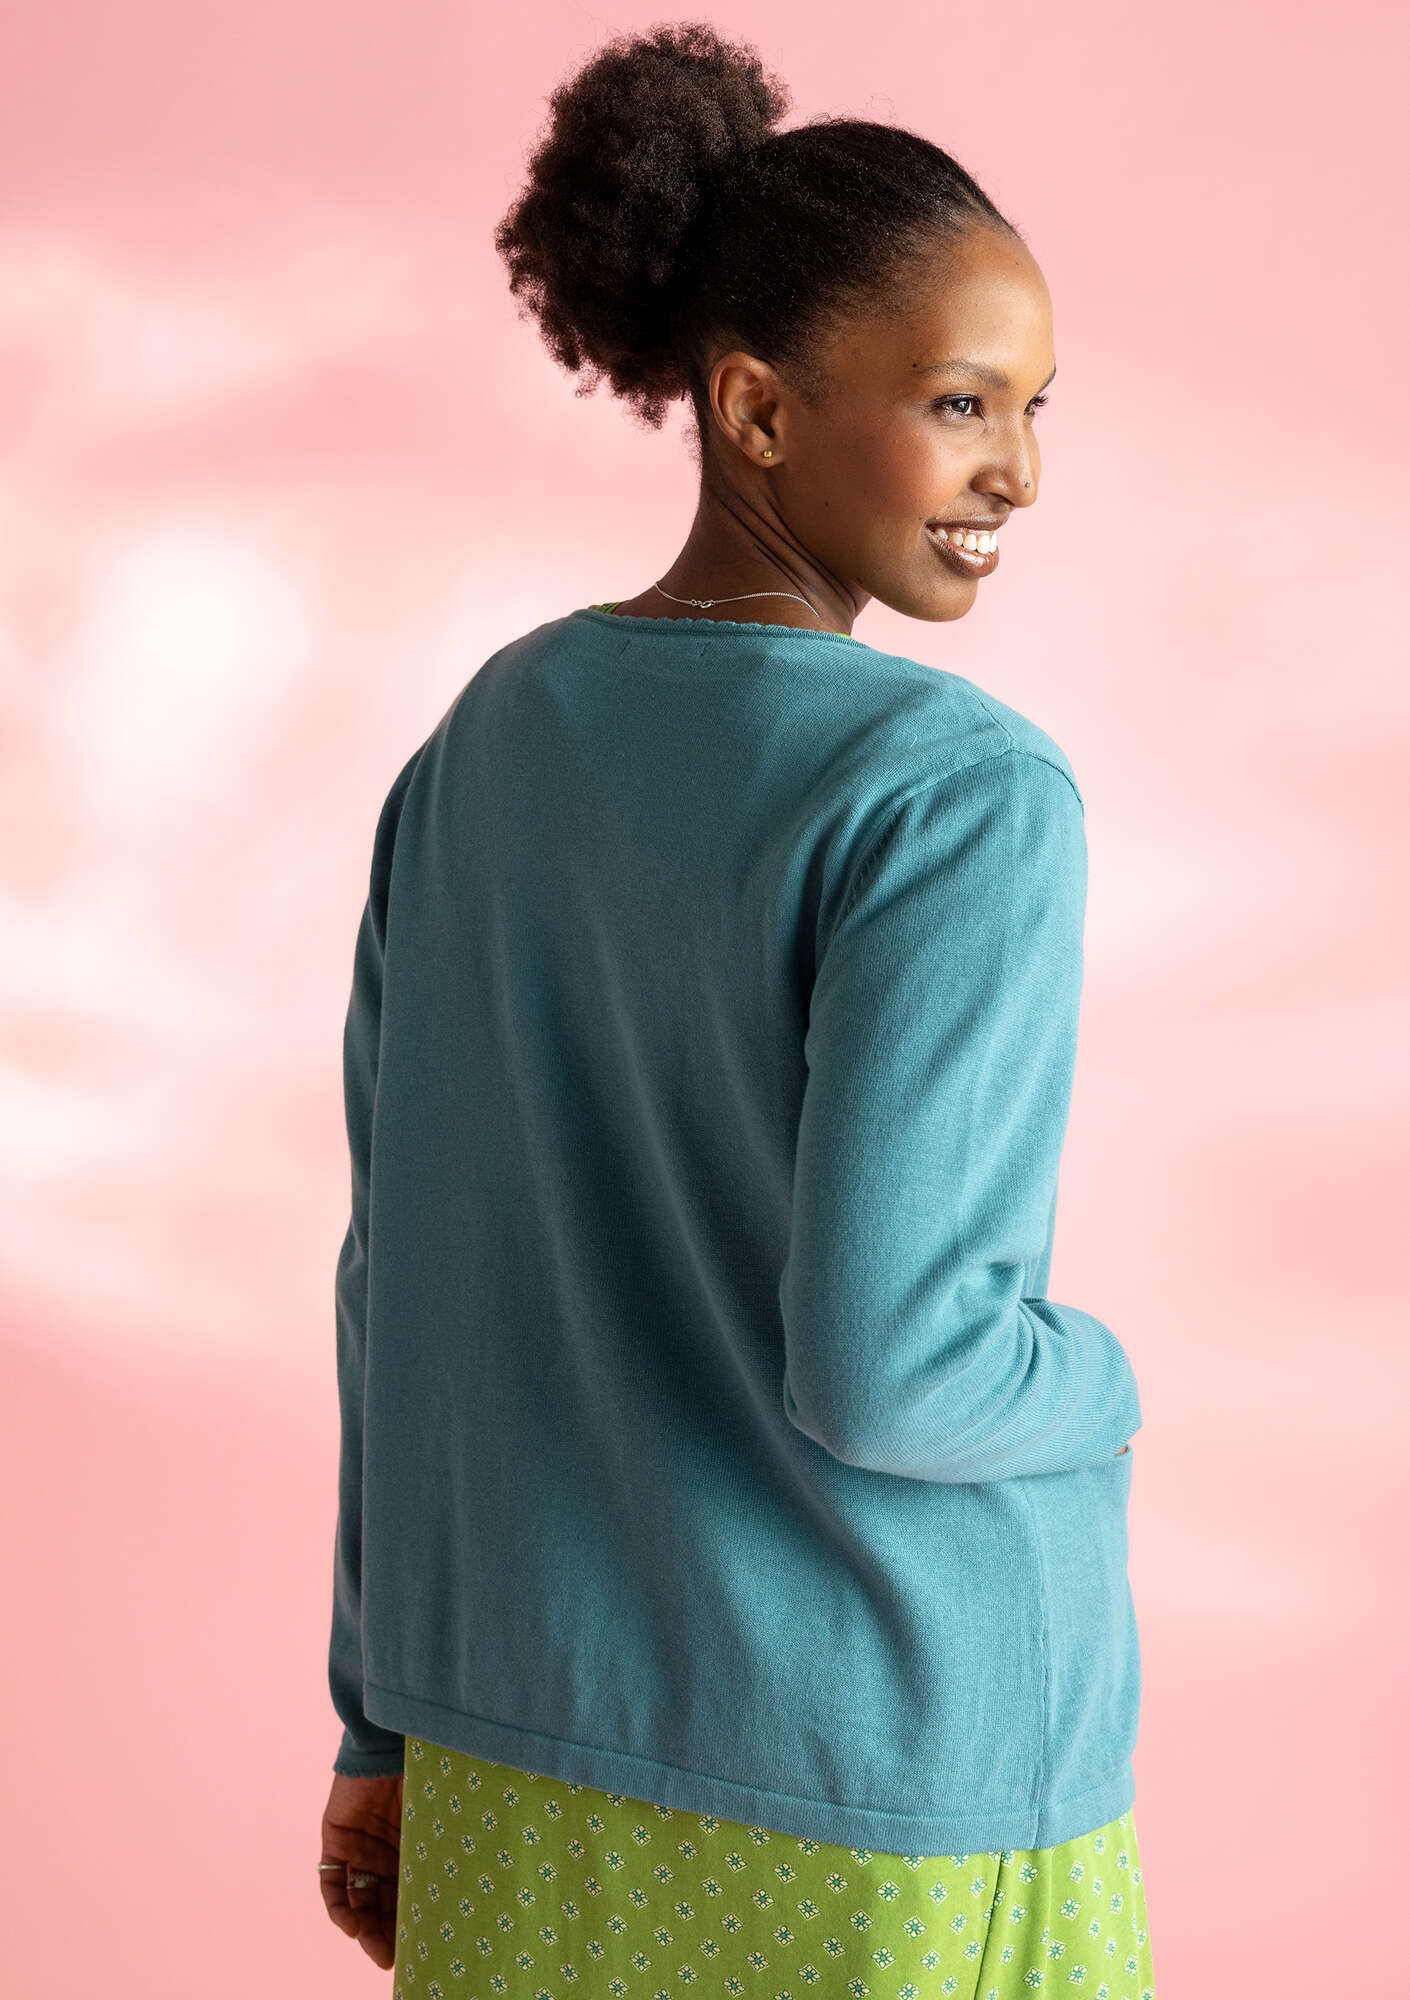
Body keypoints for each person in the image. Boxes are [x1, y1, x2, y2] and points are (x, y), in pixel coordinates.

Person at [318, 22, 1154, 1998]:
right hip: (887, 1783)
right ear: (758, 408)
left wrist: (378, 1725)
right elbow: (900, 1371)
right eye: (958, 403)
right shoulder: (954, 792)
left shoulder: (483, 745)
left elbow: (400, 1283)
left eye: (1032, 407)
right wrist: (1106, 1377)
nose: (1018, 472)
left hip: (515, 1747)